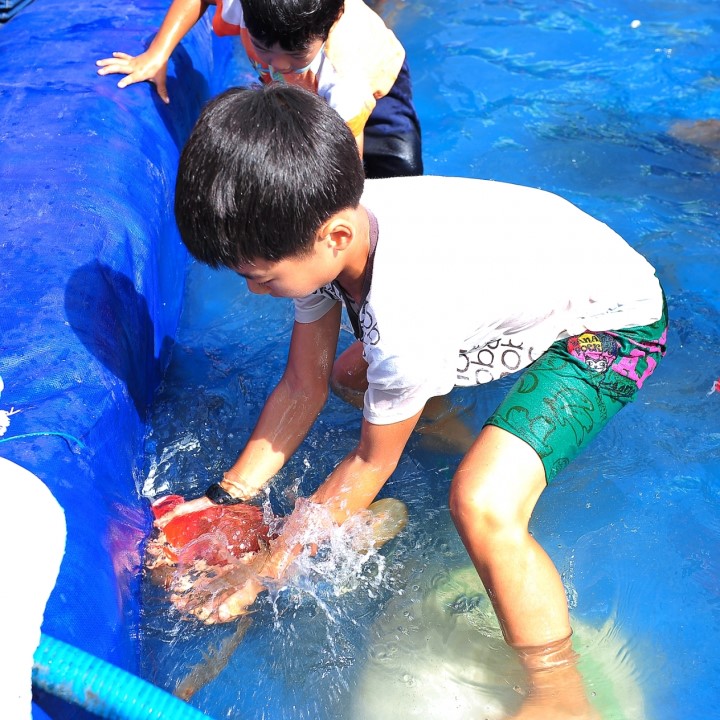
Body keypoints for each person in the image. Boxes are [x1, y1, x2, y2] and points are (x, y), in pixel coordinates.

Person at [167, 84, 667, 719]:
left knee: (480, 501)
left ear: (332, 236)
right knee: (357, 378)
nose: (254, 290)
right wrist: (224, 496)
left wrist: (264, 569)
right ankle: (461, 439)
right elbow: (305, 383)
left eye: (260, 275)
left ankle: (561, 693)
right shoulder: (318, 219)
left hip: (612, 326)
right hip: (541, 277)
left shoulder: (405, 312)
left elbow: (371, 466)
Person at [95, 0, 423, 178]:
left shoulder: (346, 79)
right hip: (311, 80)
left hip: (380, 94)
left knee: (395, 178)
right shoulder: (258, 7)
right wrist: (157, 54)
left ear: (324, 33)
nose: (277, 65)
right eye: (262, 46)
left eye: (294, 56)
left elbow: (348, 164)